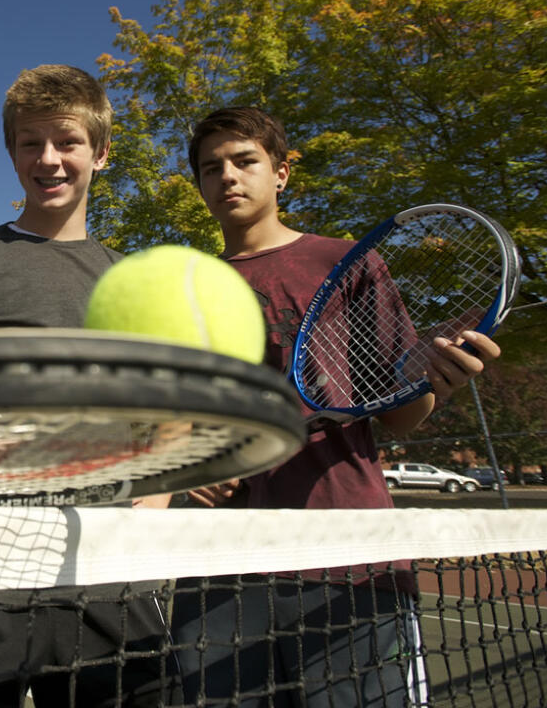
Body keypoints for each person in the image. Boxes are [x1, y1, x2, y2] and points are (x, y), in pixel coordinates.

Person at [172, 106, 502, 706]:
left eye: (245, 160)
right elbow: (184, 425)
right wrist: (193, 473)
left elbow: (397, 412)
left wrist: (437, 382)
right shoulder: (185, 289)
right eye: (211, 167)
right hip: (217, 565)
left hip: (346, 555)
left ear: (281, 173)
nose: (228, 176)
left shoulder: (346, 263)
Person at [0, 64, 172, 708]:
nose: (48, 159)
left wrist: (155, 498)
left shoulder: (134, 282)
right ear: (12, 152)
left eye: (67, 141)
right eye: (30, 143)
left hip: (107, 574)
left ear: (100, 153)